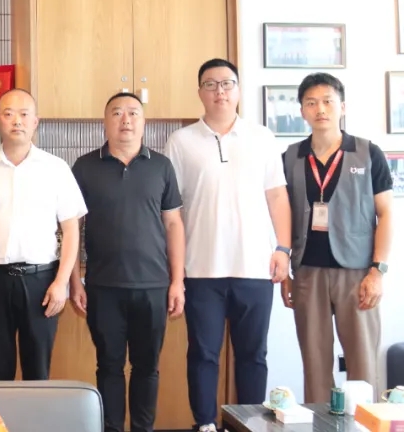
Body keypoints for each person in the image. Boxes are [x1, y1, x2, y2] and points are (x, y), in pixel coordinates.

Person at [163, 59, 291, 432]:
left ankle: (248, 424)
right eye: (210, 84)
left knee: (253, 355)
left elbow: (277, 197)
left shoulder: (262, 137)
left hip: (255, 266)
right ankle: (204, 423)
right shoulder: (181, 141)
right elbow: (172, 210)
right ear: (199, 92)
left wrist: (283, 249)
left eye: (227, 83)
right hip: (201, 269)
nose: (219, 91)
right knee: (203, 354)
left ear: (238, 89)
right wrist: (177, 272)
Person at [70, 92, 185, 432]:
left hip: (153, 286)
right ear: (105, 122)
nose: (126, 120)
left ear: (143, 122)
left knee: (147, 367)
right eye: (117, 113)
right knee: (108, 366)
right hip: (103, 286)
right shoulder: (85, 167)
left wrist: (177, 281)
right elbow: (73, 228)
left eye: (133, 113)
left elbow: (174, 224)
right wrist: (75, 281)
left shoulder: (161, 166)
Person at [280, 73, 393, 404]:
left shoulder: (368, 153)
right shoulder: (290, 157)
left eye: (328, 101)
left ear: (342, 107)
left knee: (363, 364)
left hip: (357, 273)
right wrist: (285, 270)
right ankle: (320, 425)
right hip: (307, 273)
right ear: (302, 110)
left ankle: (363, 424)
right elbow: (281, 217)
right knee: (315, 366)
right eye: (311, 103)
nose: (321, 109)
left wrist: (378, 271)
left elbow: (386, 213)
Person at [0, 88, 85, 381]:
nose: (17, 120)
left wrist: (61, 283)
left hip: (42, 282)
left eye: (24, 114)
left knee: (38, 372)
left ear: (35, 122)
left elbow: (71, 230)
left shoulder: (56, 169)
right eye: (8, 114)